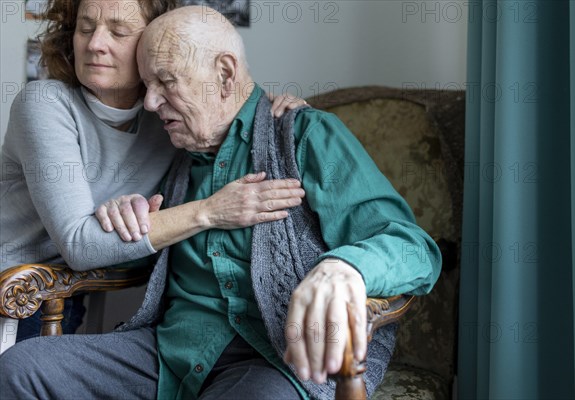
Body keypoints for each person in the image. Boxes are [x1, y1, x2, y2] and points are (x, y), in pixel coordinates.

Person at [0, 5, 442, 400]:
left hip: (276, 357)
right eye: (148, 85)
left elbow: (413, 246)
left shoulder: (303, 135)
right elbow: (95, 222)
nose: (152, 103)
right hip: (170, 352)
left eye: (166, 83)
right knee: (22, 369)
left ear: (226, 75)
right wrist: (121, 214)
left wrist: (346, 266)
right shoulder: (174, 141)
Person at [0, 0, 306, 343]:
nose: (95, 43)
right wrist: (211, 211)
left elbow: (231, 110)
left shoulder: (169, 121)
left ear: (157, 41)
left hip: (73, 299)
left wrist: (278, 112)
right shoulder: (43, 103)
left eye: (118, 31)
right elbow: (80, 245)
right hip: (11, 299)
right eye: (85, 28)